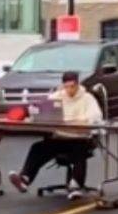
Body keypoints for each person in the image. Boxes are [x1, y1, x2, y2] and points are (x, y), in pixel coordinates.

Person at [7, 71, 102, 201]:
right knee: (38, 148)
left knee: (79, 151)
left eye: (72, 86)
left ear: (77, 84)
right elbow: (42, 110)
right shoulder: (57, 97)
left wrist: (80, 121)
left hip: (79, 137)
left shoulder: (87, 98)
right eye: (66, 87)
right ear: (63, 86)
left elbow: (96, 117)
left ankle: (75, 185)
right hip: (59, 137)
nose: (70, 90)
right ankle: (25, 178)